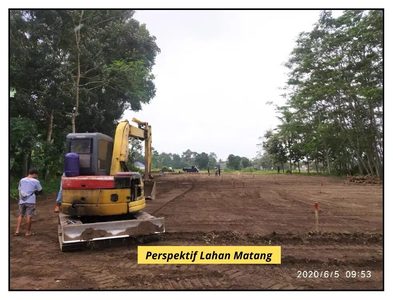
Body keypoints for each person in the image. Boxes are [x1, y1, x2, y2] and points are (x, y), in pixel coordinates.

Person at [15, 168, 43, 237]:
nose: (36, 176)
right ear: (34, 174)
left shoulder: (22, 180)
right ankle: (27, 232)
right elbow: (40, 191)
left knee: (20, 215)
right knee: (29, 216)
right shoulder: (35, 181)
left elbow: (19, 189)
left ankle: (17, 230)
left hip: (22, 200)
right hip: (30, 201)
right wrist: (36, 192)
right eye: (36, 175)